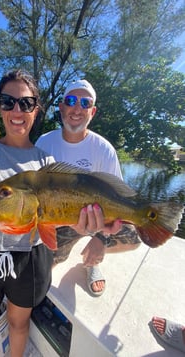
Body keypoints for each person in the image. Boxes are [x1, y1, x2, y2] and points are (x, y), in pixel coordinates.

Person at [0, 70, 118, 357]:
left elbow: (55, 217)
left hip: (29, 259)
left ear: (36, 109)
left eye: (25, 103)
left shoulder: (45, 159)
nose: (16, 110)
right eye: (7, 102)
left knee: (18, 325)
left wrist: (91, 228)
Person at [36, 79, 141, 296]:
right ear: (62, 107)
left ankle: (92, 260)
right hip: (60, 221)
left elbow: (119, 196)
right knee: (40, 276)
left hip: (101, 219)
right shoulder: (44, 143)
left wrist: (101, 238)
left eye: (85, 103)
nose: (77, 108)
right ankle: (63, 254)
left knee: (134, 237)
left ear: (92, 112)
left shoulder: (104, 149)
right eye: (71, 101)